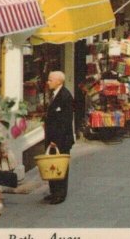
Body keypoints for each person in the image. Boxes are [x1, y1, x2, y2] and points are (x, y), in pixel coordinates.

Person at [43, 70, 74, 204]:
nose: (48, 82)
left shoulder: (65, 96)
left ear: (59, 81)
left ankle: (60, 194)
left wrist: (56, 140)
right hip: (51, 137)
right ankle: (53, 191)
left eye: (50, 80)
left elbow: (65, 121)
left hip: (61, 139)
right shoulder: (54, 94)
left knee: (60, 166)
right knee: (51, 165)